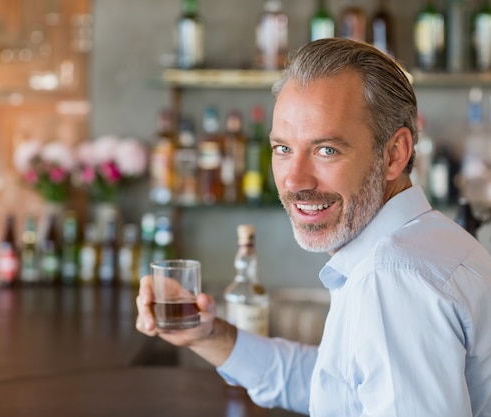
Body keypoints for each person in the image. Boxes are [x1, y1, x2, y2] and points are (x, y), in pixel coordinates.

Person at [136, 37, 491, 417]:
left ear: (394, 154)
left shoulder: (393, 278)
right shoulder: (426, 241)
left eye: (326, 150)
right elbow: (337, 386)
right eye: (283, 149)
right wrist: (209, 336)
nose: (294, 180)